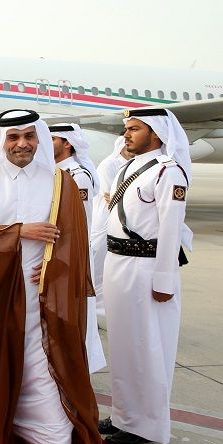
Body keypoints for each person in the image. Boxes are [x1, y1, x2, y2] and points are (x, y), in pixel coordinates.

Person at [0, 109, 103, 444]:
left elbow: (74, 238)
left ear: (40, 139)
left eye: (30, 136)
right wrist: (18, 232)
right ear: (1, 140)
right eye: (14, 137)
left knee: (45, 364)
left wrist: (57, 268)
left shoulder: (60, 182)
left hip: (42, 295)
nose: (22, 144)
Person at [100, 108, 192, 444]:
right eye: (126, 129)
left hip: (146, 268)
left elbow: (170, 229)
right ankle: (125, 415)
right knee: (124, 347)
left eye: (135, 129)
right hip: (118, 263)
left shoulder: (169, 171)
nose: (126, 134)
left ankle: (145, 424)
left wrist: (164, 280)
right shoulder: (128, 167)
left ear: (156, 134)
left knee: (148, 349)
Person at [48, 123, 106, 373]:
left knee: (76, 314)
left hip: (71, 253)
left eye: (52, 139)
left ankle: (81, 367)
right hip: (54, 250)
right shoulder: (53, 171)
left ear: (67, 143)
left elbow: (79, 222)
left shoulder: (77, 174)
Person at [90, 135, 131, 318]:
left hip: (122, 221)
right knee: (98, 263)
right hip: (104, 221)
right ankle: (96, 309)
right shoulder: (110, 165)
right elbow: (110, 197)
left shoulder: (133, 165)